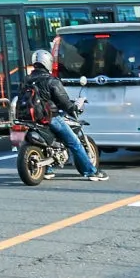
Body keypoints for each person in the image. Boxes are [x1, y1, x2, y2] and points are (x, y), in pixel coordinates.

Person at [20, 50, 105, 181]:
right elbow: (64, 101)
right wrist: (73, 107)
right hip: (50, 117)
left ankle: (47, 170)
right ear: (47, 62)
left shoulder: (26, 80)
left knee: (47, 144)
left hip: (30, 118)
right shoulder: (51, 80)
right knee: (74, 143)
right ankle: (91, 171)